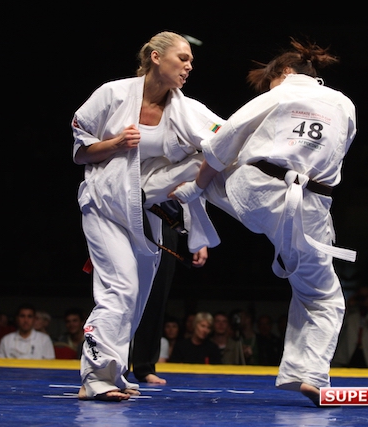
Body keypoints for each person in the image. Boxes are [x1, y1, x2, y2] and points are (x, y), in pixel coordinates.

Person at [170, 38, 357, 405]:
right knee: (322, 297)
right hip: (309, 210)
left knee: (199, 161)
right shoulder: (344, 104)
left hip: (255, 193)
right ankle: (311, 375)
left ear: (285, 72)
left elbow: (224, 140)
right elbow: (336, 156)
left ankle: (152, 194)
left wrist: (196, 187)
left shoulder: (279, 94)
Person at [71, 31, 222, 401]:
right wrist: (116, 143)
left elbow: (223, 142)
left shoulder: (189, 111)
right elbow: (81, 153)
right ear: (156, 57)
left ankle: (115, 370)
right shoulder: (113, 94)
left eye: (191, 61)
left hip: (146, 211)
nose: (189, 66)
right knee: (121, 287)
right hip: (106, 204)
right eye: (183, 58)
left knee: (136, 296)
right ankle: (96, 377)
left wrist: (196, 228)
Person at [130, 200, 208, 385]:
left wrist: (200, 238)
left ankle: (145, 366)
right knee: (124, 294)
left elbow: (195, 192)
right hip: (132, 215)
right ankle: (116, 368)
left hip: (166, 222)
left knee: (156, 297)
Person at [332, 285, 368, 368]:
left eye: (366, 296)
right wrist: (347, 306)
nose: (363, 299)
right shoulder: (351, 315)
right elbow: (338, 326)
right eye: (361, 297)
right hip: (350, 355)